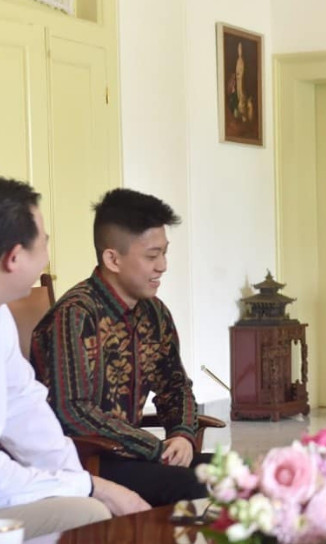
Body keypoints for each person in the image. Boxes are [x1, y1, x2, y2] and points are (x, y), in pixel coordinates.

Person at [31, 188, 210, 507]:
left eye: (164, 253)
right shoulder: (74, 315)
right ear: (112, 259)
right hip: (85, 463)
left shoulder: (154, 312)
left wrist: (182, 434)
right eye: (152, 256)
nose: (163, 266)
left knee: (241, 475)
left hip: (136, 455)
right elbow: (72, 411)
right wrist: (152, 447)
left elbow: (175, 385)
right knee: (192, 485)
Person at [0, 177, 149, 538]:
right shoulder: (76, 311)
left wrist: (79, 480)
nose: (47, 257)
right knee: (87, 513)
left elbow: (24, 406)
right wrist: (90, 487)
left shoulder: (1, 313)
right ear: (15, 257)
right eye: (45, 242)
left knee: (89, 505)